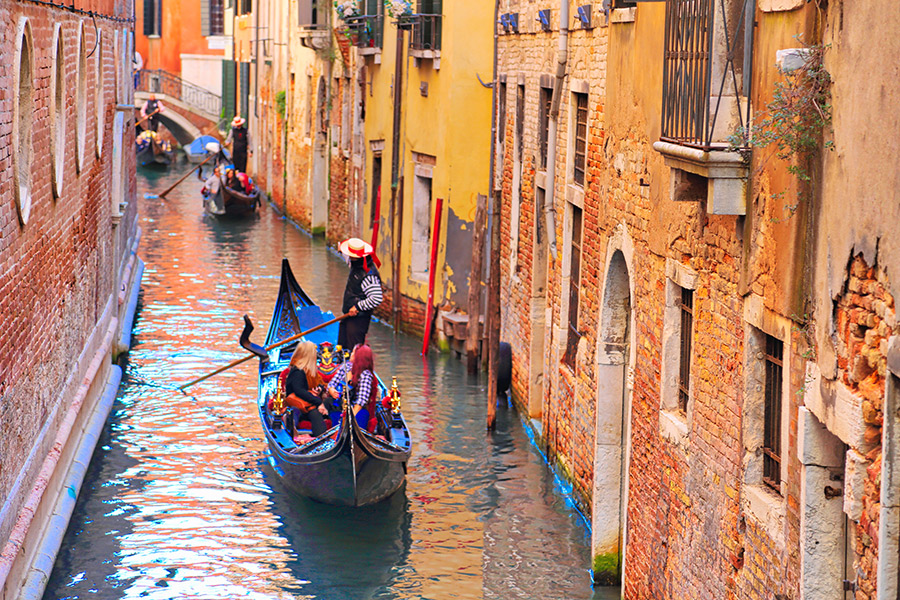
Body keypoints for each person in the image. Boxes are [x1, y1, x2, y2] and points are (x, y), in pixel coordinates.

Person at [337, 238, 383, 351]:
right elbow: (349, 260)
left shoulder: (369, 276)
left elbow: (377, 298)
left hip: (358, 320)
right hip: (348, 316)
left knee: (353, 349)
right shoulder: (357, 264)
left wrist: (358, 306)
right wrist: (341, 250)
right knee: (343, 348)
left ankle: (353, 367)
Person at [283, 341, 329, 438]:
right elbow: (299, 391)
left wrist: (319, 389)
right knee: (312, 413)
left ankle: (324, 439)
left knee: (319, 411)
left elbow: (320, 383)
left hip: (308, 404)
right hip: (296, 404)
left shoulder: (308, 370)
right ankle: (321, 439)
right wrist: (318, 402)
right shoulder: (297, 372)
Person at [327, 344, 377, 427]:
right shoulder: (346, 367)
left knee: (359, 418)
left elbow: (362, 400)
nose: (351, 355)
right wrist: (331, 390)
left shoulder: (366, 375)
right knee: (335, 414)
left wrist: (351, 417)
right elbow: (332, 384)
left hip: (358, 409)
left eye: (353, 353)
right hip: (340, 406)